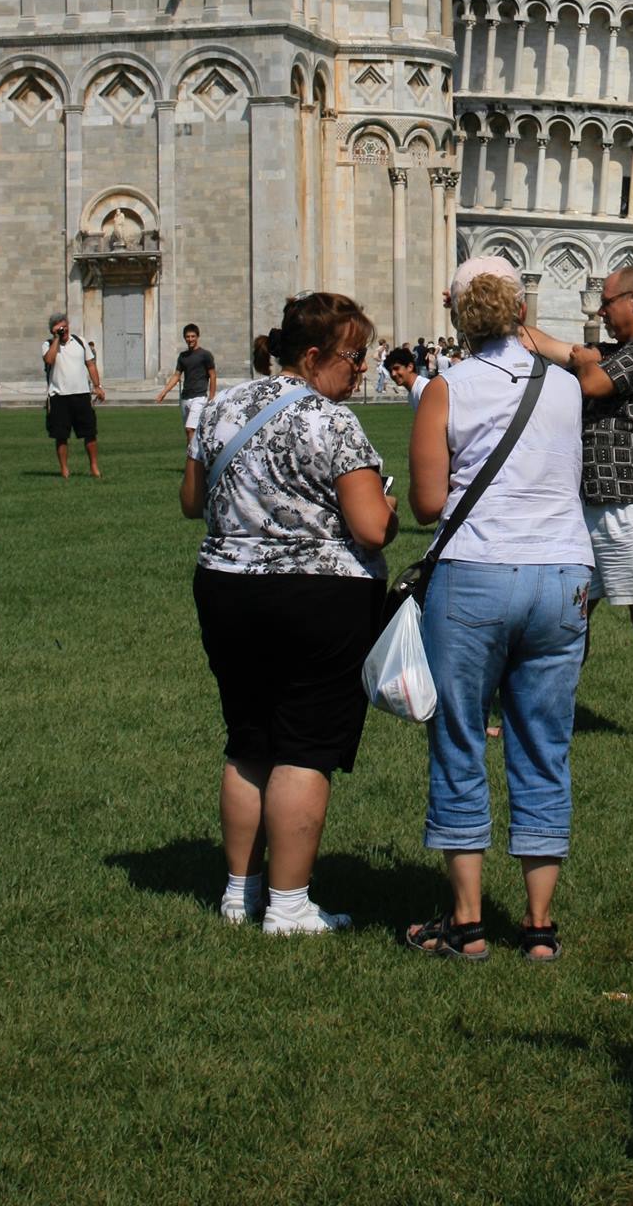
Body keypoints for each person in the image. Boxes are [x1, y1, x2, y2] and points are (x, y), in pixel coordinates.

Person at [180, 291, 397, 935]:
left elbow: (191, 501)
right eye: (353, 356)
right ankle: (289, 904)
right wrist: (387, 506)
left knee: (249, 738)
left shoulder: (223, 406)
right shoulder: (332, 422)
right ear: (314, 355)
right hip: (317, 596)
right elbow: (371, 528)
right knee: (304, 746)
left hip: (226, 586)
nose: (361, 368)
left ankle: (238, 892)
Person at [406, 258, 592, 960]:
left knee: (459, 737)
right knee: (544, 742)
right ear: (520, 310)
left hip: (476, 571)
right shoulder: (565, 386)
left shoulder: (446, 387)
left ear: (457, 316)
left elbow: (429, 504)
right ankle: (539, 927)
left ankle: (468, 921)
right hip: (562, 571)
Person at [524, 266, 633, 751]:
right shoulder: (615, 352)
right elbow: (549, 345)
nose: (601, 311)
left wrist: (583, 359)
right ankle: (540, 715)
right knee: (568, 616)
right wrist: (506, 322)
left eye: (608, 302)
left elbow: (594, 384)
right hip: (592, 503)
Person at [42, 311, 106, 479]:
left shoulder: (80, 341)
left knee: (90, 433)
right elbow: (49, 360)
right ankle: (64, 469)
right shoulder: (48, 344)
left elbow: (90, 364)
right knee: (61, 435)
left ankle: (94, 466)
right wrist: (56, 338)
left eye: (65, 327)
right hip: (59, 396)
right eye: (59, 329)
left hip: (82, 394)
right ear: (53, 331)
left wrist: (98, 386)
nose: (63, 331)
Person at [156, 323, 217, 450]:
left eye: (193, 336)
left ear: (197, 337)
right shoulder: (182, 356)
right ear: (184, 338)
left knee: (190, 429)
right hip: (185, 397)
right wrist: (164, 392)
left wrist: (211, 397)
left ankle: (192, 460)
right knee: (189, 432)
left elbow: (212, 375)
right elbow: (176, 376)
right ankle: (196, 457)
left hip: (199, 397)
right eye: (188, 337)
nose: (190, 339)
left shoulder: (205, 355)